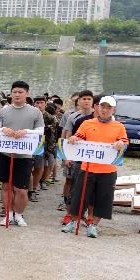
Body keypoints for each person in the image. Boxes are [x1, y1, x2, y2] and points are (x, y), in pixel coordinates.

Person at [62, 96, 129, 237]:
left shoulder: (119, 126)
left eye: (108, 107)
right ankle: (73, 222)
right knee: (79, 197)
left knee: (102, 199)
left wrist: (122, 144)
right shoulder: (87, 123)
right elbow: (79, 136)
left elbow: (125, 141)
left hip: (108, 170)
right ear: (97, 107)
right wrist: (74, 138)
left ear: (113, 109)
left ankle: (93, 225)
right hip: (87, 168)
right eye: (102, 106)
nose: (105, 110)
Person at [0, 81, 44, 227]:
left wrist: (26, 131)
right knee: (6, 186)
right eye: (14, 92)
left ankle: (19, 214)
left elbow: (41, 131)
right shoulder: (3, 111)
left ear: (26, 94)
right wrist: (3, 130)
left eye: (20, 92)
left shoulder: (35, 112)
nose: (17, 94)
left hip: (25, 155)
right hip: (5, 154)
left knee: (21, 189)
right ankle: (8, 213)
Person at [61, 90, 94, 223]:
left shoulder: (97, 117)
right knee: (74, 186)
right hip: (76, 157)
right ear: (78, 101)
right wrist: (67, 157)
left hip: (93, 158)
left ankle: (88, 215)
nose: (86, 101)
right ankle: (69, 213)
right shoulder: (72, 117)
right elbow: (67, 137)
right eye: (84, 99)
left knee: (91, 188)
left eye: (89, 99)